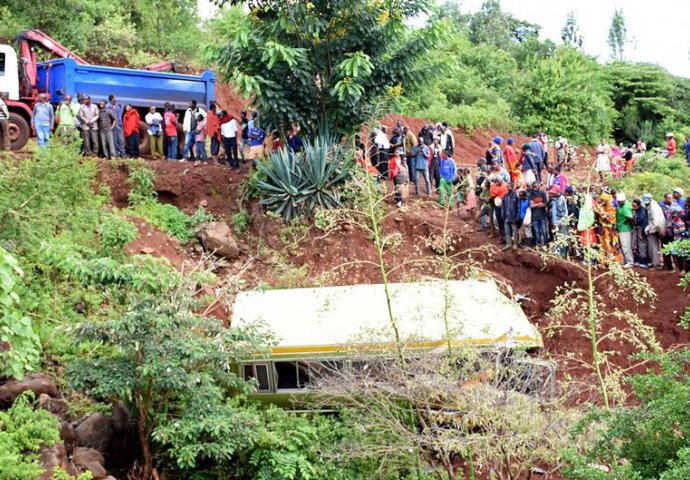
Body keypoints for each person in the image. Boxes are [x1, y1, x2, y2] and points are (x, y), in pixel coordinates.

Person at [595, 193, 623, 265]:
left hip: (610, 229)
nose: (602, 202)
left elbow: (607, 217)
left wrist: (599, 211)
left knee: (611, 244)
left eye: (603, 200)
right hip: (603, 229)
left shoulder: (612, 205)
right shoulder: (604, 205)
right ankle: (603, 261)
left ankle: (614, 261)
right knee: (603, 244)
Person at [642, 193, 665, 270]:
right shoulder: (651, 204)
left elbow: (655, 220)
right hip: (657, 227)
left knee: (653, 247)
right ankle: (655, 263)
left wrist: (650, 229)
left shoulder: (653, 207)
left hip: (656, 228)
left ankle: (656, 265)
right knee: (655, 247)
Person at [616, 193, 634, 268]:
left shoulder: (625, 207)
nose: (619, 202)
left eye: (620, 201)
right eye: (618, 201)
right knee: (624, 245)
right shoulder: (622, 205)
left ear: (624, 200)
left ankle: (630, 262)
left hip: (624, 229)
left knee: (626, 246)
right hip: (621, 228)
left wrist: (625, 222)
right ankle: (627, 261)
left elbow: (631, 217)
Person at [550, 185, 569, 257]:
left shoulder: (560, 200)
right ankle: (558, 251)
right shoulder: (555, 199)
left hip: (561, 222)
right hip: (557, 222)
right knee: (558, 236)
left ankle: (563, 253)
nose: (551, 194)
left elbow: (562, 213)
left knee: (563, 237)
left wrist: (560, 222)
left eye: (552, 193)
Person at [529, 182, 548, 249]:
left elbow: (545, 203)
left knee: (544, 231)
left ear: (538, 186)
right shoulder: (531, 194)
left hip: (542, 215)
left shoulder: (542, 193)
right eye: (533, 186)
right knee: (537, 232)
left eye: (536, 186)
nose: (534, 188)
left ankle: (546, 245)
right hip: (534, 216)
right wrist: (540, 204)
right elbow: (531, 206)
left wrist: (535, 205)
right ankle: (538, 245)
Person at [631, 199, 649, 269]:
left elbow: (643, 221)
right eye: (632, 205)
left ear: (639, 205)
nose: (633, 207)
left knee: (642, 246)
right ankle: (638, 260)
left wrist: (642, 233)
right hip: (637, 229)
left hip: (641, 229)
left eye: (634, 206)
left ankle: (644, 262)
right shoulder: (637, 210)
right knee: (637, 245)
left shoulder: (642, 211)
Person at [669, 206, 688, 274]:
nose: (673, 218)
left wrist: (681, 242)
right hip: (675, 241)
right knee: (673, 254)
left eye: (674, 216)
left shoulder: (680, 223)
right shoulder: (675, 223)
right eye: (672, 216)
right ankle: (676, 269)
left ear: (678, 216)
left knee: (683, 256)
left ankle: (683, 270)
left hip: (681, 241)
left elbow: (683, 233)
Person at [502, 181, 519, 250]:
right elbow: (503, 206)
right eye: (507, 187)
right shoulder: (505, 196)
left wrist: (517, 217)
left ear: (512, 187)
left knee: (515, 231)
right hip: (506, 216)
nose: (507, 188)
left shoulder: (516, 196)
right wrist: (503, 214)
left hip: (513, 217)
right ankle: (508, 244)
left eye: (509, 187)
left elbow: (518, 207)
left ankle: (515, 244)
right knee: (507, 231)